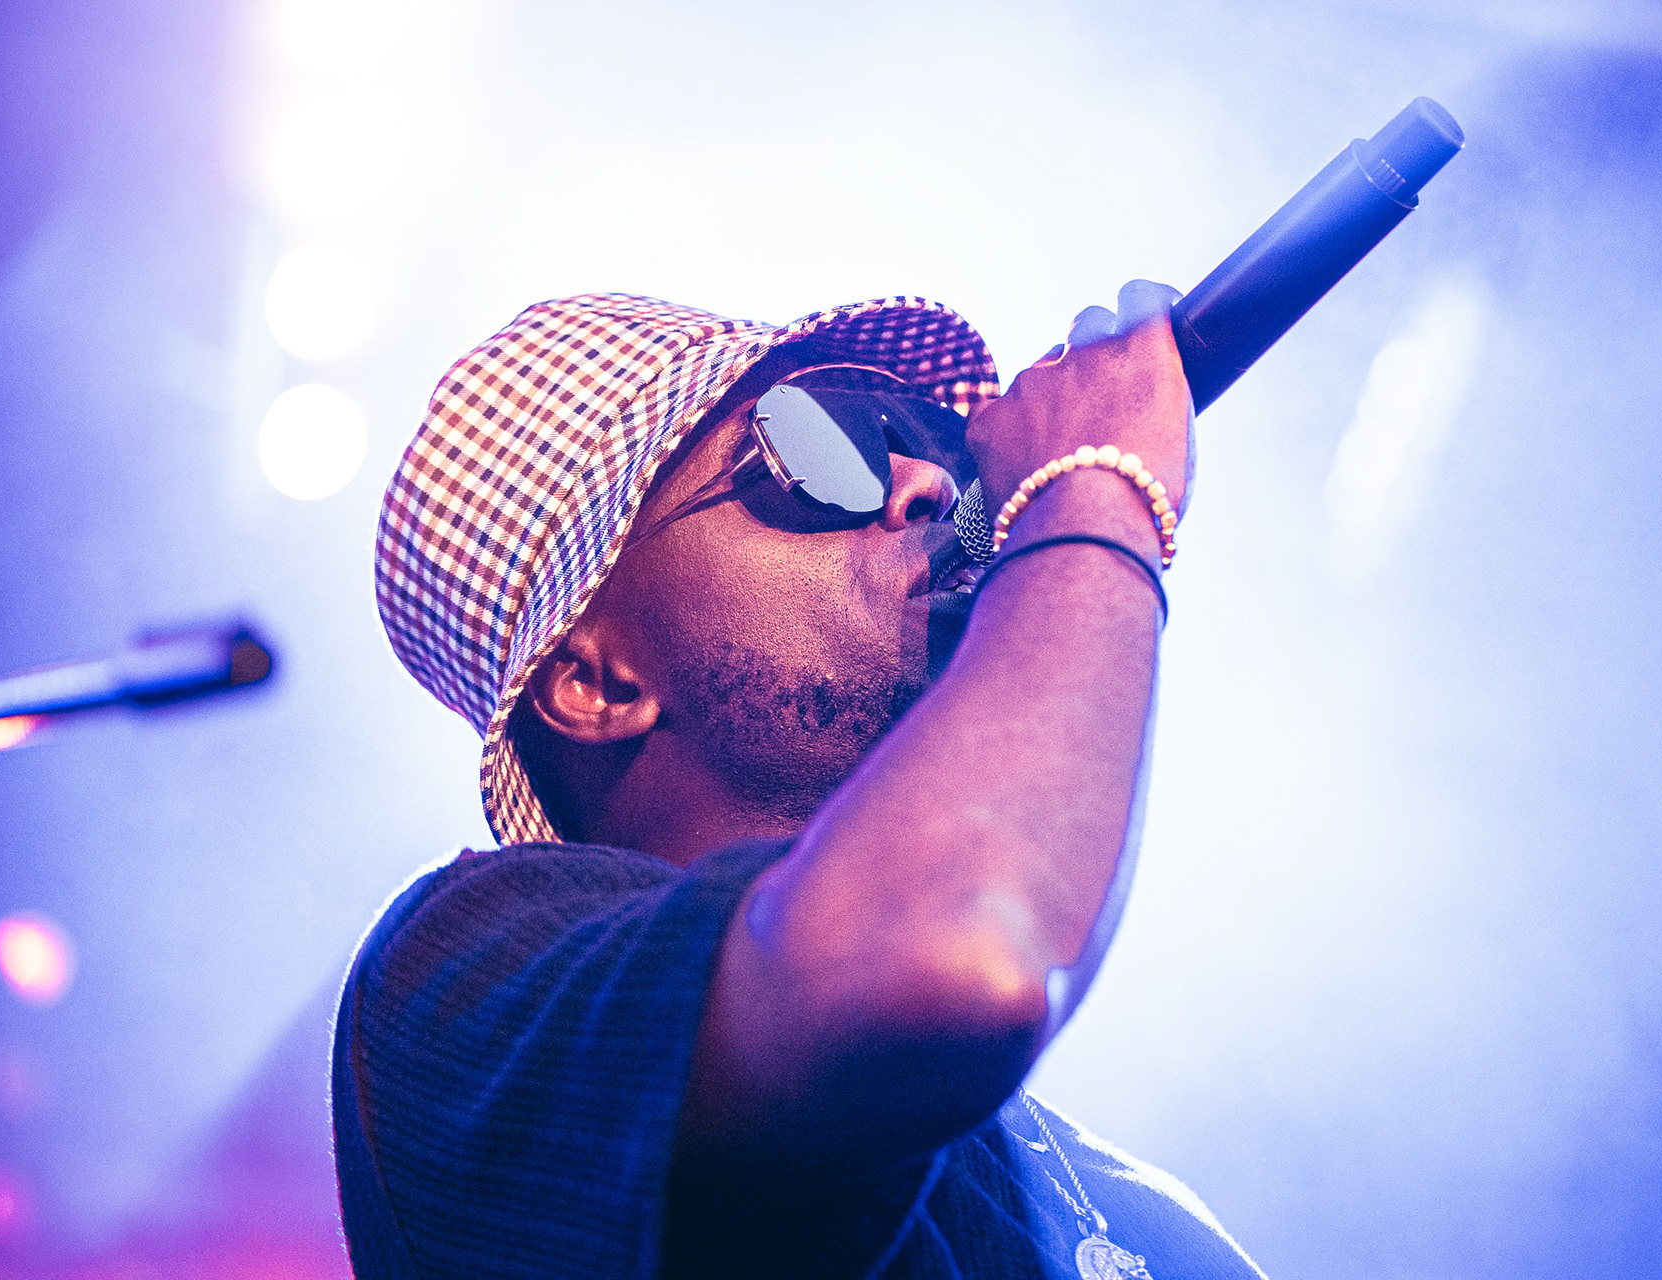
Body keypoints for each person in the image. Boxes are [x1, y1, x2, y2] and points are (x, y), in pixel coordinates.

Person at [333, 285, 1267, 1279]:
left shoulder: (1116, 1186)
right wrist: (1093, 491)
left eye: (920, 437)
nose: (927, 482)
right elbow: (958, 955)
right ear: (598, 681)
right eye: (814, 448)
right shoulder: (468, 986)